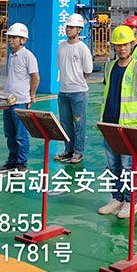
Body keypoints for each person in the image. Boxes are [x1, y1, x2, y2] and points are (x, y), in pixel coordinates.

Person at [99, 25, 137, 219]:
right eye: (118, 45)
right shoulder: (109, 66)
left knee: (128, 167)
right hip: (109, 123)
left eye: (125, 45)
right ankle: (116, 198)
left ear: (131, 44)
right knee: (113, 165)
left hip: (127, 125)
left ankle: (130, 201)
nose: (122, 48)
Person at [0, 22, 39, 173]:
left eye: (14, 37)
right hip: (9, 100)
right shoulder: (12, 56)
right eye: (9, 37)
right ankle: (12, 161)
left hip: (21, 101)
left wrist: (32, 95)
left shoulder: (28, 56)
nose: (10, 40)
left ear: (23, 40)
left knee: (21, 135)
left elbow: (35, 77)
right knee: (10, 134)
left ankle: (22, 163)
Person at [54, 13, 93, 165]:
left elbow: (87, 71)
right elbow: (60, 66)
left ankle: (78, 152)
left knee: (79, 123)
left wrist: (77, 81)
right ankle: (68, 150)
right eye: (67, 27)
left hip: (78, 92)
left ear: (79, 30)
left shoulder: (83, 49)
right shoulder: (62, 46)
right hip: (63, 92)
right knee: (65, 123)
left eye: (72, 27)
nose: (68, 29)